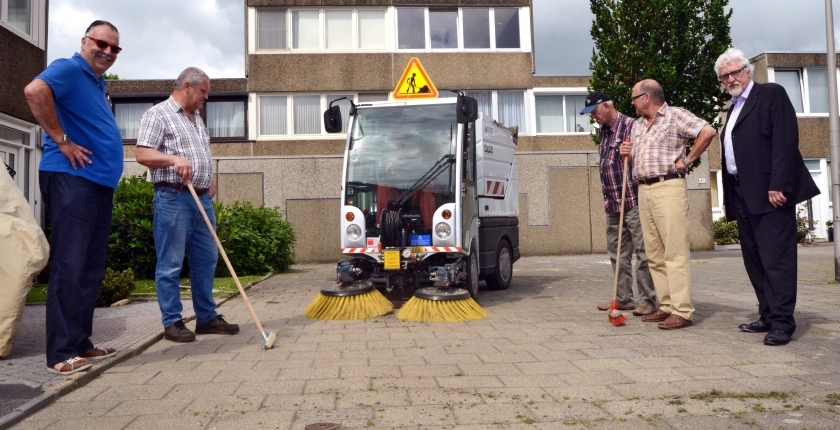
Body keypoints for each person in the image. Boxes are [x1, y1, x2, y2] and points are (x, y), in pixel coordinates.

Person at [24, 20, 123, 374]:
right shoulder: (68, 67)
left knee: (90, 267)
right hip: (71, 178)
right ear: (85, 41)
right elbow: (35, 91)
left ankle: (81, 342)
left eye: (115, 48)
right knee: (70, 264)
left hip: (96, 183)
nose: (108, 52)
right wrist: (62, 140)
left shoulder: (98, 83)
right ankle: (61, 353)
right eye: (102, 43)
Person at [714, 48, 820, 346]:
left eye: (735, 72)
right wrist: (728, 197)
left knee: (777, 260)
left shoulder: (771, 94)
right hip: (741, 193)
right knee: (755, 259)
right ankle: (768, 314)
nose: (731, 78)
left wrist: (778, 184)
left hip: (770, 193)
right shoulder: (733, 108)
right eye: (725, 76)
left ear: (748, 71)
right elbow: (730, 157)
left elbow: (785, 141)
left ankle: (783, 323)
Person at [135, 67, 239, 342]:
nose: (206, 97)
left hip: (201, 198)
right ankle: (172, 322)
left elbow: (201, 153)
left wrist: (210, 178)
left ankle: (206, 318)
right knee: (170, 262)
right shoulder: (158, 114)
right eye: (203, 91)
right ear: (188, 86)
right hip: (173, 197)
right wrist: (173, 160)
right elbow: (142, 153)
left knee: (207, 259)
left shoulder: (197, 120)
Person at [619, 79, 717, 330]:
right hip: (644, 189)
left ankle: (682, 310)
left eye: (634, 98)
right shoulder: (638, 126)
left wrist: (689, 159)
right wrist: (627, 153)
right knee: (654, 253)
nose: (632, 103)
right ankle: (665, 306)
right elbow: (635, 157)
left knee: (674, 251)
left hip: (668, 186)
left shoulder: (675, 116)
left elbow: (707, 131)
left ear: (647, 97)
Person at [581, 91, 657, 316]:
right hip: (612, 202)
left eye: (594, 111)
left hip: (632, 199)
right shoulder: (604, 132)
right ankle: (623, 298)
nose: (593, 116)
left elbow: (645, 159)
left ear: (606, 106)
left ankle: (648, 300)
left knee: (643, 251)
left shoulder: (632, 126)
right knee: (618, 252)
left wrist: (631, 156)